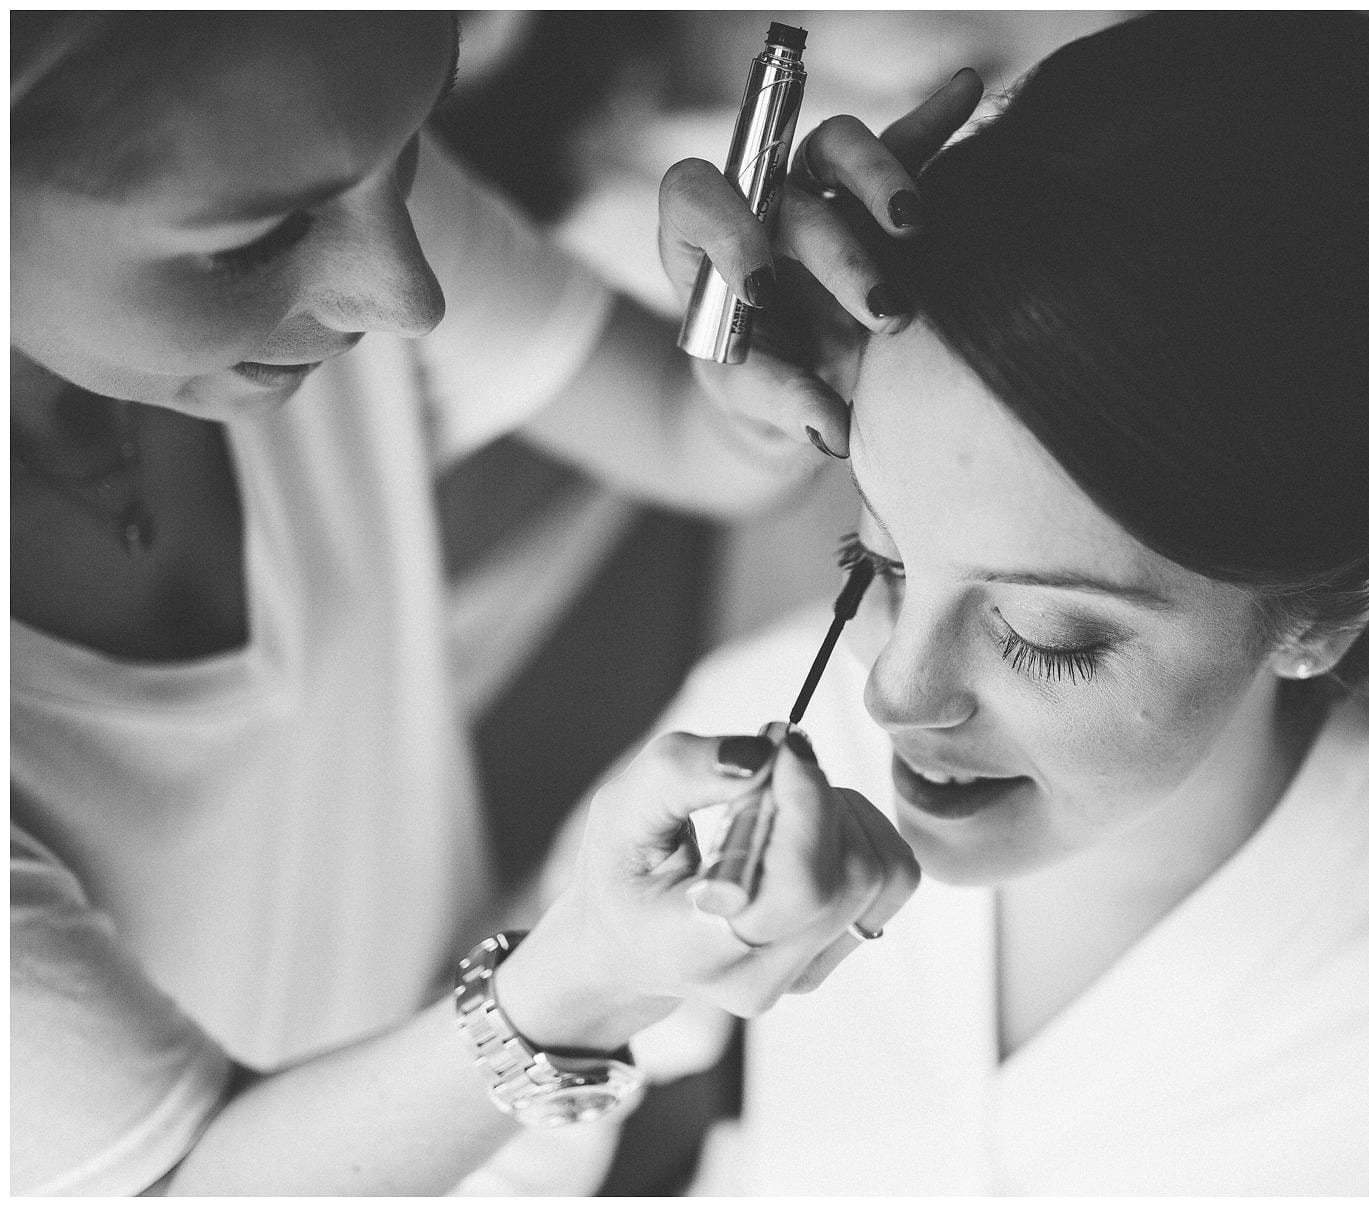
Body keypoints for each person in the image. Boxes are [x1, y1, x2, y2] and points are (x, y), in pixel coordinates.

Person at [554, 11, 1369, 1194]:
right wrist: (580, 984)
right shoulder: (769, 723)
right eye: (876, 560)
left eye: (1049, 636)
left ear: (1326, 614)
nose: (890, 695)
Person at [11, 11, 974, 1195]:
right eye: (252, 243)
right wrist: (590, 976)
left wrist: (768, 366)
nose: (405, 297)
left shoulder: (321, 158)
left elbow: (687, 436)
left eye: (416, 146)